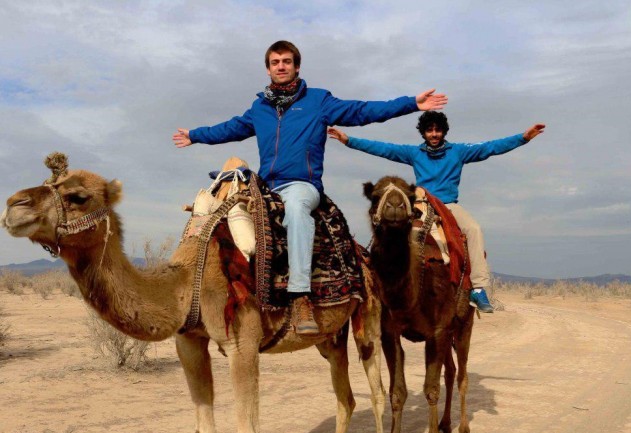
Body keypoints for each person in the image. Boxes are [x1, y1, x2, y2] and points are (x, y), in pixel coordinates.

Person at [173, 40, 448, 334]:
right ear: (268, 69)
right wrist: (195, 135)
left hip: (302, 185)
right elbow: (230, 128)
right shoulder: (259, 108)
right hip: (266, 186)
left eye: (286, 61)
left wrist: (411, 104)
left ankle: (300, 295)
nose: (281, 66)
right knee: (221, 210)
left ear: (297, 66)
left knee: (296, 209)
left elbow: (362, 111)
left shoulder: (318, 101)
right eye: (275, 62)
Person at [328, 112, 545, 313]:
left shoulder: (458, 151)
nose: (434, 134)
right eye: (429, 130)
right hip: (421, 203)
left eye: (437, 130)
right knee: (391, 228)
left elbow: (490, 147)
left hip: (448, 204)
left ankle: (478, 289)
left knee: (474, 229)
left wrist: (523, 138)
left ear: (444, 131)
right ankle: (379, 282)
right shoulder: (414, 153)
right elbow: (383, 148)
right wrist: (349, 140)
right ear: (423, 132)